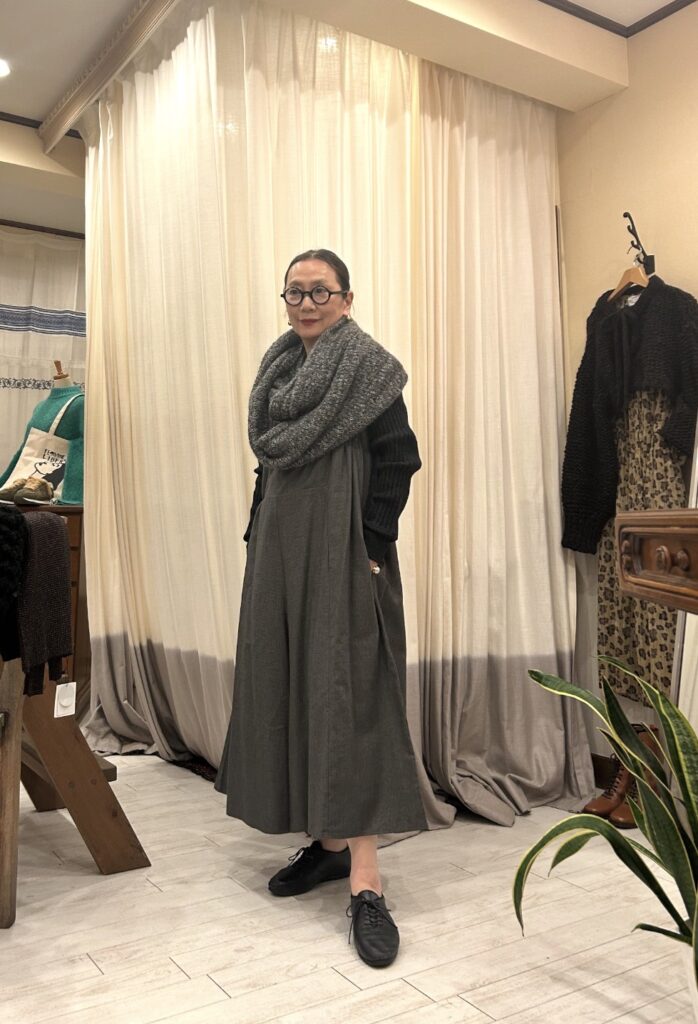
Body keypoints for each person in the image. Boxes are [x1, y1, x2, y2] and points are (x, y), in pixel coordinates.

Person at [215, 249, 426, 968]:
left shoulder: (370, 370)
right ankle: (329, 844)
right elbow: (270, 467)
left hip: (344, 554)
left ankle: (366, 880)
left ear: (346, 298)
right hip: (279, 557)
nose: (306, 303)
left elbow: (398, 459)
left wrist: (371, 546)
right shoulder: (278, 375)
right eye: (295, 292)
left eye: (320, 291)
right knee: (292, 687)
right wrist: (257, 539)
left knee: (350, 696)